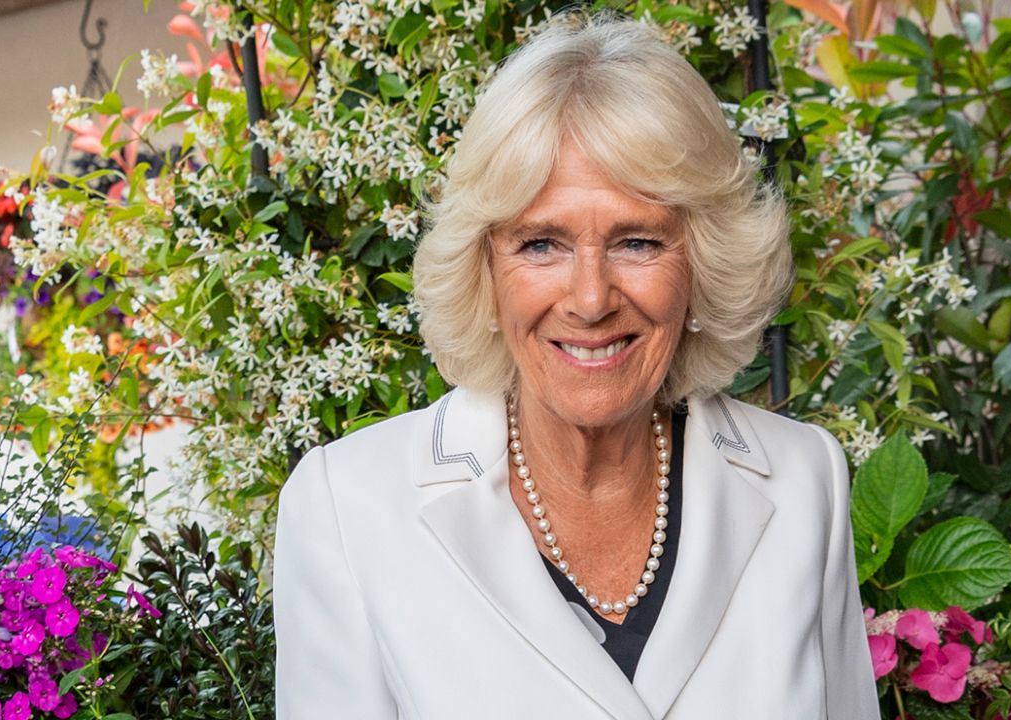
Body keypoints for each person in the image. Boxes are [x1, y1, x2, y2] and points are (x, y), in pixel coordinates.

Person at [273, 14, 878, 719]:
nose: (591, 299)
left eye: (639, 242)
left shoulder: (808, 482)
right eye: (541, 245)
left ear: (704, 265)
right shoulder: (348, 507)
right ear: (485, 269)